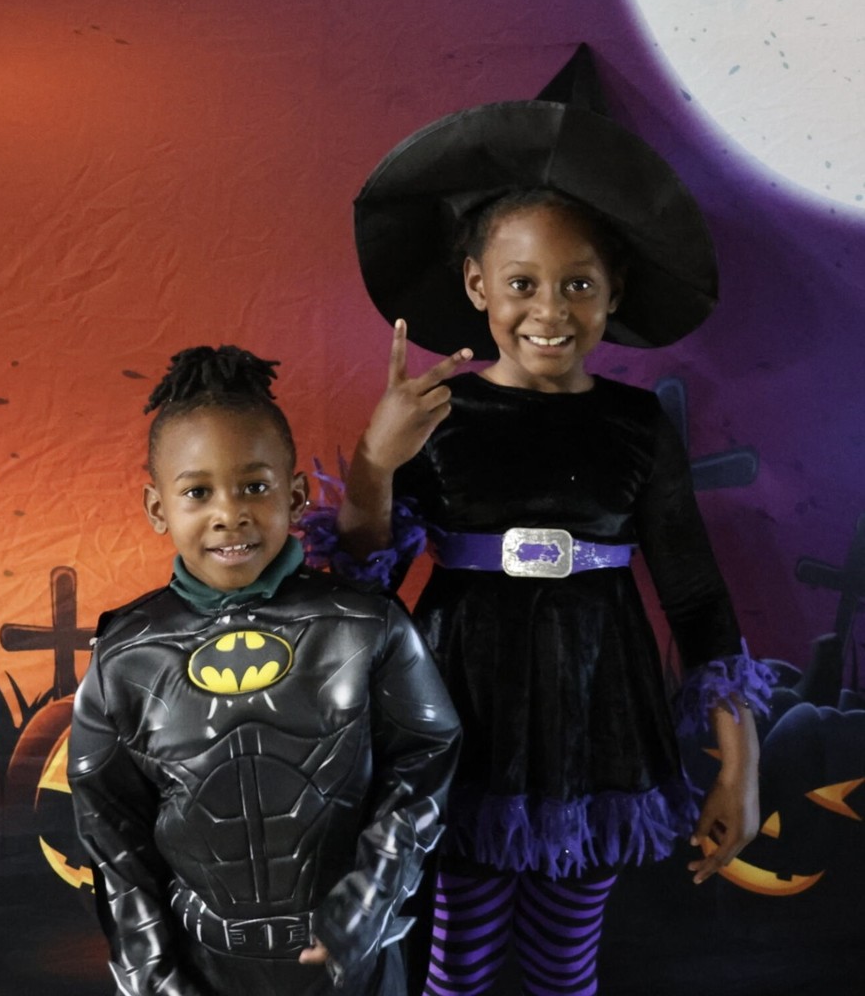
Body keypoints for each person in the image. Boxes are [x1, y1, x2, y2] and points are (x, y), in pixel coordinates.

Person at [303, 98, 774, 996]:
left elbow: (695, 595)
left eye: (577, 285)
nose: (548, 311)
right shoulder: (438, 415)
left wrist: (741, 767)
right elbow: (362, 587)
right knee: (459, 963)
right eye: (522, 284)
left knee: (565, 964)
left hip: (598, 726)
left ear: (613, 291)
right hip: (461, 725)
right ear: (477, 285)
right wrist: (375, 459)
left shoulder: (637, 424)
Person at [68, 345, 461, 996]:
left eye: (254, 485)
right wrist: (149, 975)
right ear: (158, 507)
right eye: (198, 491)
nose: (230, 512)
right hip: (204, 967)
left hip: (351, 962)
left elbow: (425, 760)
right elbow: (111, 831)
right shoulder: (124, 652)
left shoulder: (365, 623)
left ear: (296, 493)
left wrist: (367, 898)